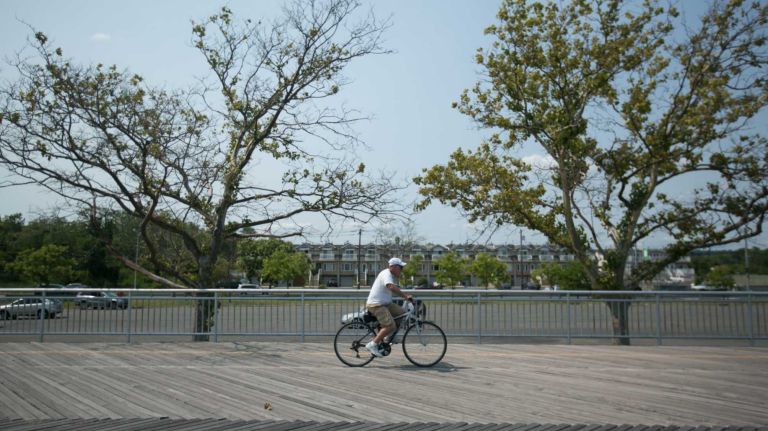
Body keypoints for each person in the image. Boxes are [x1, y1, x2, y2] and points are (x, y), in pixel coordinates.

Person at [365, 257, 413, 357]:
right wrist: (405, 296)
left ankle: (389, 337)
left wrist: (404, 295)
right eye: (401, 268)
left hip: (385, 304)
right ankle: (372, 344)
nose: (401, 270)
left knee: (402, 313)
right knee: (390, 325)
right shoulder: (386, 274)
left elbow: (392, 288)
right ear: (394, 267)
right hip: (376, 305)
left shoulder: (389, 275)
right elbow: (390, 287)